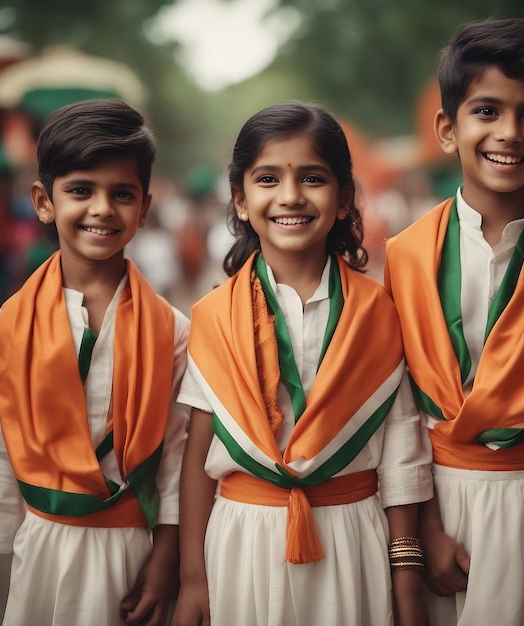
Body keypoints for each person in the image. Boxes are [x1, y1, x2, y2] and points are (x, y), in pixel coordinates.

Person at [384, 18, 524, 626]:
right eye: (486, 110)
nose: (508, 133)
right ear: (447, 128)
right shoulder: (401, 259)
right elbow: (397, 410)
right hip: (432, 498)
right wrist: (423, 532)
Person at [171, 101, 433, 626]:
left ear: (343, 200)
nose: (290, 196)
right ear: (241, 201)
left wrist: (406, 572)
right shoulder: (213, 317)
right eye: (268, 178)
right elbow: (196, 457)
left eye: (312, 178)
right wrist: (194, 580)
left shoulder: (378, 311)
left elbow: (403, 447)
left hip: (353, 536)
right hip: (242, 536)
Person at [0, 98, 190, 626]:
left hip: (133, 549)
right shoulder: (3, 329)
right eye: (81, 190)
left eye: (121, 194)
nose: (102, 209)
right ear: (43, 200)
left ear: (144, 207)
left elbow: (174, 456)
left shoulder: (172, 330)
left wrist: (167, 557)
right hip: (37, 547)